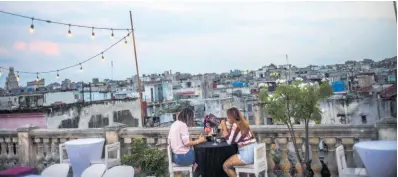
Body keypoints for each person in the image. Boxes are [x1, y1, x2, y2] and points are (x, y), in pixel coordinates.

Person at [220, 107, 256, 177]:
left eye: (228, 117)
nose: (227, 119)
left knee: (225, 166)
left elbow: (229, 142)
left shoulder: (235, 125)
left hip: (247, 155)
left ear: (231, 118)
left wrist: (224, 127)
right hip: (253, 153)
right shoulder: (244, 123)